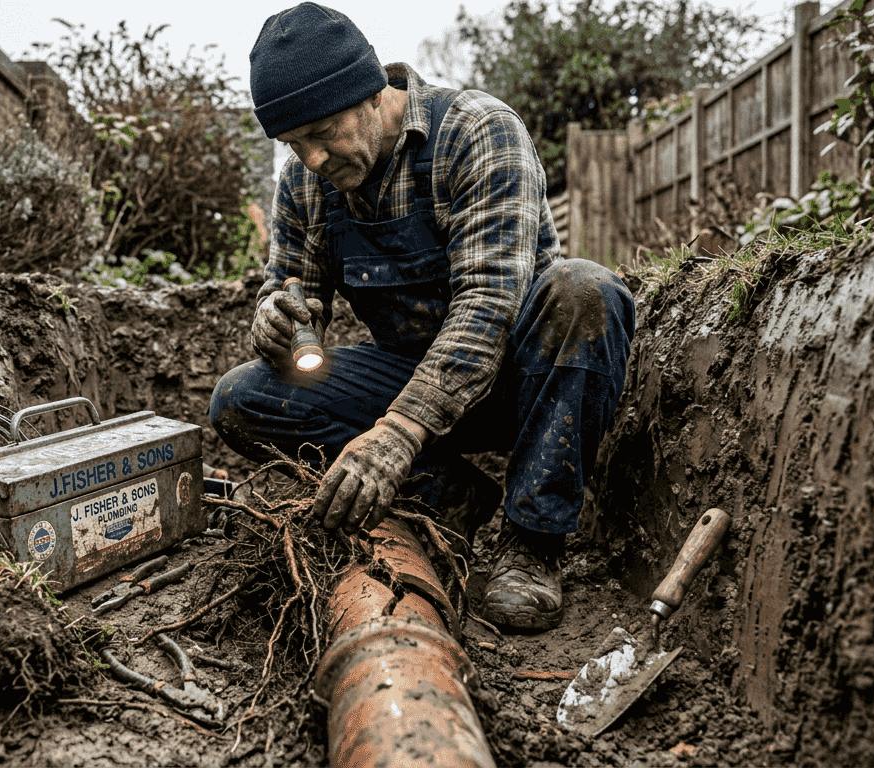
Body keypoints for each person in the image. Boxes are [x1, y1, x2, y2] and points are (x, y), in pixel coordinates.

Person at [209, 2, 636, 632]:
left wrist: (396, 437)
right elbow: (295, 290)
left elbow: (489, 305)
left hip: (524, 382)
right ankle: (448, 496)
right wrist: (279, 317)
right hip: (412, 376)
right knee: (241, 398)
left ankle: (532, 542)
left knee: (584, 291)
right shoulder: (304, 184)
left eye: (324, 132)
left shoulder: (478, 132)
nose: (315, 159)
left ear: (370, 94)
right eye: (295, 144)